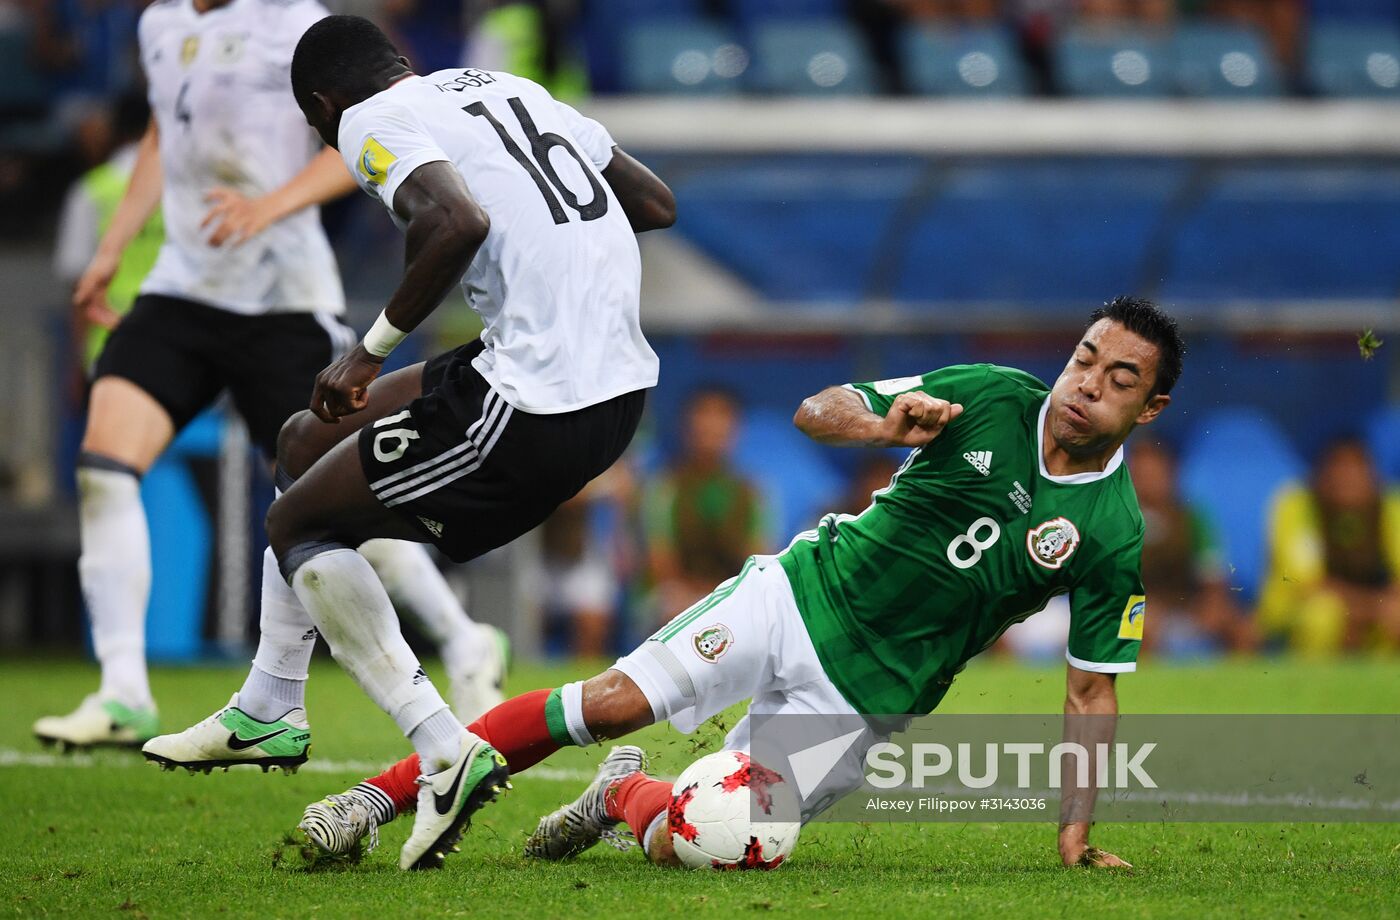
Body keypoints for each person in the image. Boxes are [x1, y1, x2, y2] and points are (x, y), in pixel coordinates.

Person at [299, 296, 1183, 872]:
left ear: (1149, 411)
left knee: (722, 843)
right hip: (797, 598)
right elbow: (816, 409)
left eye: (1119, 379)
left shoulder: (1111, 535)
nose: (1086, 385)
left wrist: (1074, 835)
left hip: (867, 698)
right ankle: (377, 798)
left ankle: (620, 793)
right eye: (1084, 357)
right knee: (605, 703)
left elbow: (1090, 690)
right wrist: (878, 427)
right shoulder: (988, 394)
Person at [140, 14, 676, 871]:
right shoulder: (511, 90)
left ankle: (441, 747)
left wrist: (368, 349)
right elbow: (654, 203)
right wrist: (557, 259)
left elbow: (454, 223)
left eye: (315, 125)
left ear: (323, 104)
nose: (326, 138)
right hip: (601, 375)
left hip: (540, 402)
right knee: (303, 442)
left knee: (296, 527)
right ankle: (270, 700)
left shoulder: (366, 120)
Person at [33, 0, 502, 753]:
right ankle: (123, 691)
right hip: (181, 289)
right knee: (104, 470)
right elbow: (162, 133)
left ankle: (462, 636)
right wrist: (114, 247)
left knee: (328, 499)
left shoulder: (292, 22)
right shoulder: (160, 24)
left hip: (283, 298)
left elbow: (355, 140)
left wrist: (267, 206)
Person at [1258, 437, 1400, 655]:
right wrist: (1371, 608)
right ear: (1321, 474)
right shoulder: (1296, 505)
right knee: (1323, 615)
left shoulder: (1390, 506)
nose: (1347, 479)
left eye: (1356, 469)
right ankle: (1305, 686)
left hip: (1372, 616)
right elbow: (1309, 584)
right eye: (1339, 469)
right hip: (1293, 620)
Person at [642, 387, 767, 624]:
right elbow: (661, 562)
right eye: (703, 417)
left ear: (735, 430)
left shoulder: (752, 492)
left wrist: (723, 595)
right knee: (674, 607)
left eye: (721, 418)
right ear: (687, 428)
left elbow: (759, 562)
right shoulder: (665, 487)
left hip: (730, 593)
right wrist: (700, 597)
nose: (711, 426)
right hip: (677, 594)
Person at [1130, 439, 1252, 656]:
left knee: (1242, 629)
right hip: (1133, 607)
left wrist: (1212, 604)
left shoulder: (1192, 518)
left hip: (1183, 607)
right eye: (1140, 475)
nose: (1147, 482)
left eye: (1154, 474)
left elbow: (1212, 574)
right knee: (1142, 626)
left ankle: (1237, 687)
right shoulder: (1118, 520)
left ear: (1171, 474)